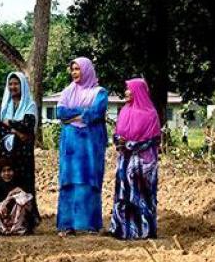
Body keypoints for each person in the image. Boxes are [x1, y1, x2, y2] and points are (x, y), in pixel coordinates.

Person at [55, 57, 108, 236]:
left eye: (78, 69)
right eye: (73, 70)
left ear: (86, 70)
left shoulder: (100, 92)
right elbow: (60, 113)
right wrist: (81, 113)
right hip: (70, 146)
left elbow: (95, 113)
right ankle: (67, 225)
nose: (75, 73)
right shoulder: (67, 91)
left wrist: (72, 116)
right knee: (69, 180)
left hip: (91, 145)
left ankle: (91, 225)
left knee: (90, 180)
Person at [109, 78, 162, 240]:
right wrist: (119, 140)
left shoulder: (150, 114)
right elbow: (117, 134)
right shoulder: (124, 111)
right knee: (124, 195)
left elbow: (154, 140)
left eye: (129, 89)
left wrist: (131, 144)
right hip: (125, 161)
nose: (126, 92)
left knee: (143, 196)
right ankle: (123, 230)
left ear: (138, 91)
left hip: (144, 165)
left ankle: (144, 230)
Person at [0, 72, 39, 231]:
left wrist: (9, 123)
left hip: (23, 154)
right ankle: (4, 220)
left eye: (16, 84)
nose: (13, 87)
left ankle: (25, 221)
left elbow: (28, 124)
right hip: (5, 152)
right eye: (10, 84)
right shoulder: (3, 104)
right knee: (5, 183)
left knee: (23, 184)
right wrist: (16, 130)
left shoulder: (29, 105)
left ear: (22, 85)